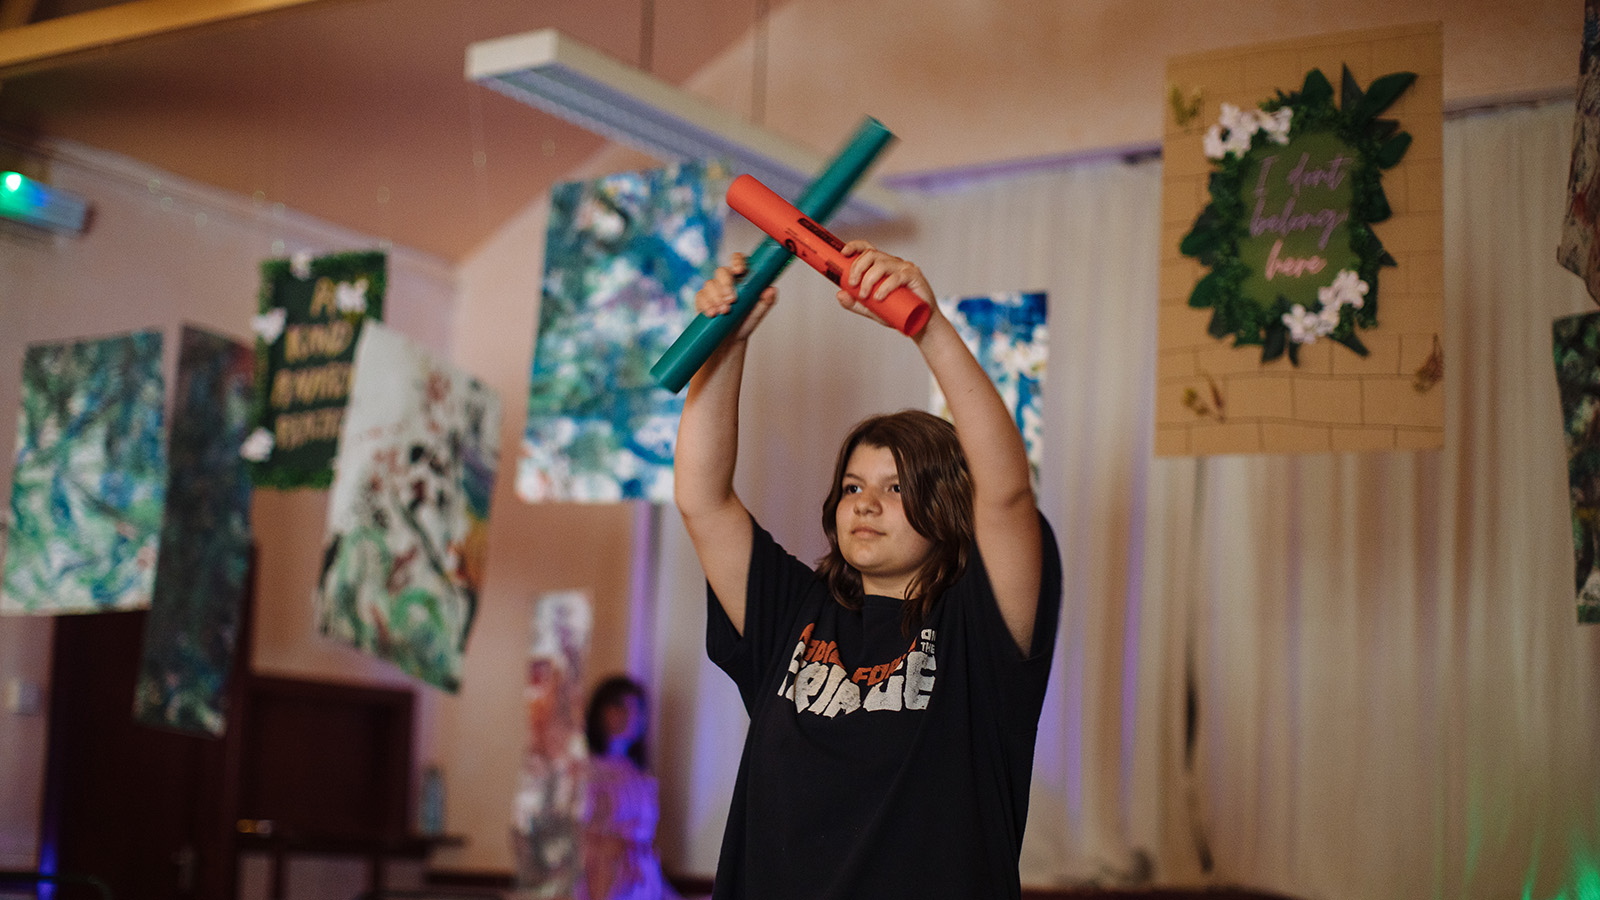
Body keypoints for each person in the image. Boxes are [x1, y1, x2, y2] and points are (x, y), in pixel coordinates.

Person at [674, 241, 1063, 900]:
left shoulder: (980, 628)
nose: (867, 505)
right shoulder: (794, 611)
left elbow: (1005, 492)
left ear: (943, 504)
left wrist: (928, 326)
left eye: (896, 488)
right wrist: (728, 341)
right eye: (853, 487)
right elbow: (701, 499)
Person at [577, 675, 680, 900]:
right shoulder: (585, 771)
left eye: (637, 710)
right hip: (604, 875)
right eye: (621, 708)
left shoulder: (641, 775)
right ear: (601, 712)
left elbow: (644, 838)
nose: (630, 717)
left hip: (641, 873)